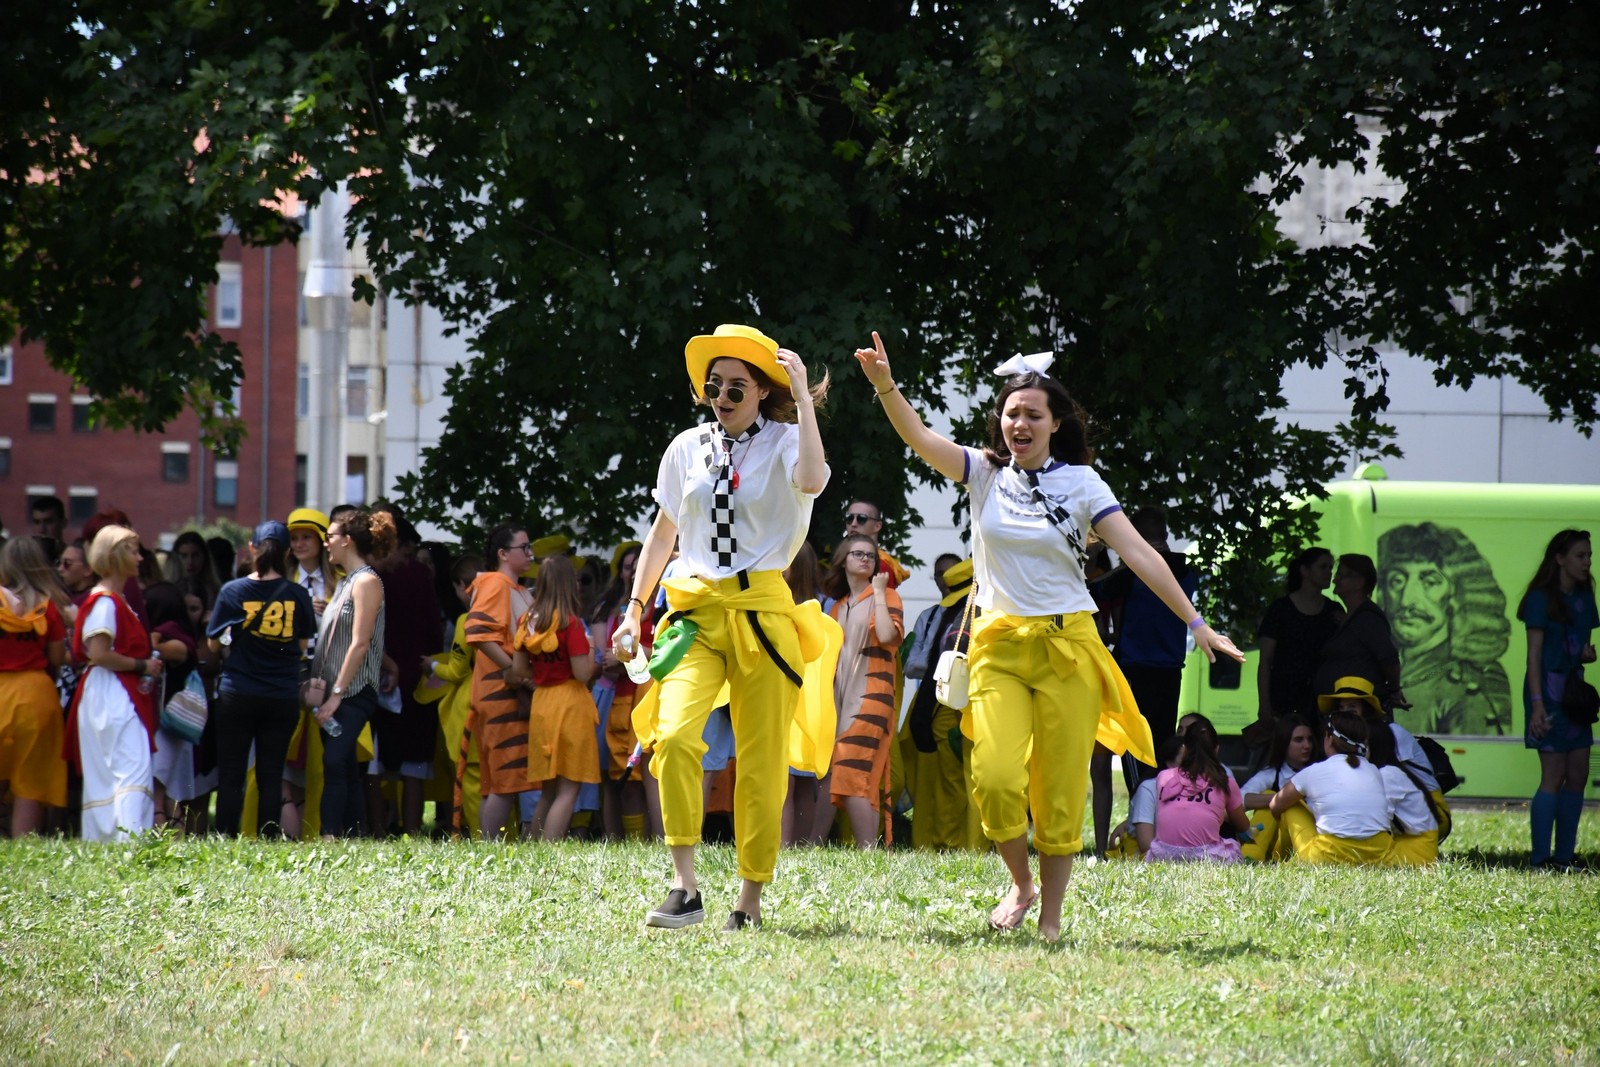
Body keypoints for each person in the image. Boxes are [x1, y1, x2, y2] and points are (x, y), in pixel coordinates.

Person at [854, 334, 1243, 940]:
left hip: (1069, 650)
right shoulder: (982, 473)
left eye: (1034, 414)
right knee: (995, 779)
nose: (1021, 424)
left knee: (1059, 792)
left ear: (1056, 423)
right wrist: (885, 385)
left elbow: (1140, 554)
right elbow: (919, 437)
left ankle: (1051, 920)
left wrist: (1198, 624)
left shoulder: (1084, 484)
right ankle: (1021, 882)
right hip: (999, 647)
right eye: (1012, 413)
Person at [614, 322, 830, 931]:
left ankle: (749, 901)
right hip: (696, 611)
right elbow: (663, 532)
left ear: (762, 390)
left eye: (738, 386)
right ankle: (684, 888)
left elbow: (812, 481)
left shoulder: (789, 441)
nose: (723, 396)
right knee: (674, 736)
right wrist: (634, 607)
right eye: (715, 385)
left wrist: (803, 396)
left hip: (763, 612)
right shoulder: (685, 447)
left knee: (761, 762)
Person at [1090, 506, 1199, 853]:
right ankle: (1161, 828)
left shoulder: (1133, 571)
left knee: (1135, 751)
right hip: (1170, 671)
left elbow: (1093, 589)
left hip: (1135, 670)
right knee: (1163, 750)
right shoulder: (1185, 570)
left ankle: (1141, 828)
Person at [206, 521, 315, 837]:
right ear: (287, 552)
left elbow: (213, 645)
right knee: (271, 774)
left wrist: (232, 636)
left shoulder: (232, 591)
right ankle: (268, 838)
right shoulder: (298, 594)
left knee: (231, 774)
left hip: (238, 693)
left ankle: (224, 838)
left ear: (252, 548)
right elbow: (302, 646)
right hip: (281, 695)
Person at [66, 525, 160, 841]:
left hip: (112, 691)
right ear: (116, 555)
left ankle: (116, 842)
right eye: (133, 551)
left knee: (117, 772)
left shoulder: (114, 600)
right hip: (111, 693)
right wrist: (142, 665)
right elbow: (98, 653)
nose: (140, 558)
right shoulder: (105, 602)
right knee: (130, 767)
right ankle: (129, 842)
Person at [1378, 523, 1512, 735]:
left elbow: (1477, 751)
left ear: (1457, 595)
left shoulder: (1471, 681)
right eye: (1397, 581)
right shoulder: (1381, 668)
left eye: (1430, 582)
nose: (1407, 600)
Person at [311, 509, 394, 838]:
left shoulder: (366, 582)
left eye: (329, 536)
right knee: (343, 766)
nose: (325, 543)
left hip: (353, 691)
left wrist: (337, 695)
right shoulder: (346, 581)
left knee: (335, 762)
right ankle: (355, 837)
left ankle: (330, 835)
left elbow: (360, 643)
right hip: (335, 690)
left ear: (347, 540)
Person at [819, 533, 905, 847]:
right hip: (839, 702)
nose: (866, 559)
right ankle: (813, 844)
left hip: (870, 697)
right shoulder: (837, 608)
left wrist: (880, 593)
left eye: (870, 555)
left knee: (850, 772)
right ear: (843, 560)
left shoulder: (887, 596)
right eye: (858, 553)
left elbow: (887, 635)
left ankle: (869, 851)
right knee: (839, 775)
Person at [1516, 529, 1595, 871]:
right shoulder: (1540, 598)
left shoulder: (1585, 595)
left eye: (1589, 556)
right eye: (1580, 555)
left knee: (1578, 774)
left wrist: (1585, 654)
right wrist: (1537, 704)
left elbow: (1579, 645)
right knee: (1553, 774)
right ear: (1560, 559)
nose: (1587, 562)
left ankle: (1564, 857)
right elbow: (1533, 656)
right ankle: (1540, 859)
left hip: (1575, 696)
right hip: (1547, 693)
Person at [369, 503, 442, 837]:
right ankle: (412, 830)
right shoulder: (418, 574)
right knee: (414, 762)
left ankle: (376, 828)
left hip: (376, 672)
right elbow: (432, 626)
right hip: (415, 673)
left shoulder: (370, 574)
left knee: (374, 760)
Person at [518, 553, 600, 840]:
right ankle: (549, 848)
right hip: (570, 704)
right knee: (569, 788)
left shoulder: (528, 622)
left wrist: (543, 674)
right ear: (568, 584)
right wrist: (592, 650)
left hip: (542, 703)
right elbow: (582, 674)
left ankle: (536, 846)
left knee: (548, 789)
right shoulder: (571, 624)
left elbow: (519, 669)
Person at [901, 555, 980, 851]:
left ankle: (950, 844)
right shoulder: (943, 615)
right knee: (941, 781)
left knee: (954, 781)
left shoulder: (971, 614)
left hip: (953, 707)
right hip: (941, 707)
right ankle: (939, 844)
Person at [462, 524, 535, 840]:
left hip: (505, 691)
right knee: (504, 781)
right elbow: (477, 632)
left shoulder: (514, 587)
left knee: (501, 781)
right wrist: (513, 669)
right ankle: (490, 849)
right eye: (524, 547)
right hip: (501, 693)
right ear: (503, 554)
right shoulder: (495, 582)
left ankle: (490, 847)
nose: (530, 553)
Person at [0, 537, 70, 836]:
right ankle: (23, 848)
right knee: (30, 781)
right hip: (36, 696)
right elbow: (57, 658)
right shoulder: (47, 606)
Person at [1267, 710, 1393, 864]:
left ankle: (1278, 860)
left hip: (1331, 854)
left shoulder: (1314, 771)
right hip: (1379, 854)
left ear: (1329, 738)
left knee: (1290, 805)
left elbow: (1275, 805)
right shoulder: (1373, 770)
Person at [589, 542, 651, 841]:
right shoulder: (613, 607)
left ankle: (647, 841)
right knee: (616, 775)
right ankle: (618, 839)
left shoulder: (661, 604)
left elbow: (659, 651)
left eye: (639, 568)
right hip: (614, 695)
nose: (634, 574)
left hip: (644, 696)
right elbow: (604, 658)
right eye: (629, 568)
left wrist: (625, 657)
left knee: (642, 777)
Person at [1255, 547, 1343, 725]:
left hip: (1323, 699)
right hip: (1285, 697)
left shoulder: (1334, 611)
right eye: (1323, 567)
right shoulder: (1280, 610)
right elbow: (1265, 660)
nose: (1329, 572)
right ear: (1305, 571)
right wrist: (1264, 705)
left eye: (1330, 567)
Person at [1145, 718, 1249, 863]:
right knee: (1233, 847)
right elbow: (1243, 826)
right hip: (1206, 857)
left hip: (1162, 855)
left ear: (1185, 748)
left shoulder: (1164, 777)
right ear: (1217, 749)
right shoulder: (1224, 782)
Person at [1313, 554, 1406, 710]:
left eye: (1341, 576)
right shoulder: (1353, 617)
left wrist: (1394, 689)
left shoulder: (1368, 618)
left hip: (1358, 712)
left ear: (1359, 582)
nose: (1335, 580)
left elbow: (1389, 658)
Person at [1237, 714, 1318, 862]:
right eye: (1299, 740)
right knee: (1269, 798)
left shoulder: (1320, 773)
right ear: (1284, 743)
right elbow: (1240, 799)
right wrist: (1282, 798)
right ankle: (1250, 857)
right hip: (1278, 844)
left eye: (1309, 739)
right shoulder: (1272, 774)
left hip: (1310, 840)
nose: (1307, 746)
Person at [1364, 720, 1440, 865]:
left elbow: (1377, 821)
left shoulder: (1388, 775)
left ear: (1375, 746)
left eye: (1363, 745)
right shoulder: (1391, 771)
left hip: (1417, 850)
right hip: (1413, 843)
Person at [840, 500, 909, 588]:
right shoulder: (843, 557)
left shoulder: (881, 565)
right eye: (849, 518)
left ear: (877, 526)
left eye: (861, 519)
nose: (853, 524)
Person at [164, 531, 223, 620]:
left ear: (204, 557)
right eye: (184, 556)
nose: (190, 562)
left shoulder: (217, 593)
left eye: (195, 555)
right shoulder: (166, 593)